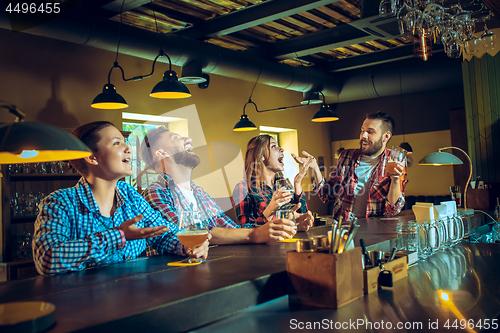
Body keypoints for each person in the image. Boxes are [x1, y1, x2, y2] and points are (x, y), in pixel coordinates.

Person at [32, 121, 210, 275]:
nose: (128, 148)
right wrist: (119, 235)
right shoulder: (59, 203)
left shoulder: (129, 195)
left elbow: (163, 233)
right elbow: (47, 258)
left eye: (125, 142)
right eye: (117, 143)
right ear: (91, 157)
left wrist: (187, 247)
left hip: (134, 300)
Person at [140, 127, 303, 244]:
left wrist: (281, 226)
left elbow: (231, 228)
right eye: (176, 137)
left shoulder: (199, 192)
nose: (188, 139)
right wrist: (254, 234)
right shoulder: (156, 191)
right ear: (161, 153)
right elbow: (186, 233)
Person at [296, 112, 407, 221]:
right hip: (343, 228)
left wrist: (396, 180)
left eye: (370, 132)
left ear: (386, 136)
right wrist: (315, 167)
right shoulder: (346, 156)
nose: (363, 136)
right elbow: (327, 194)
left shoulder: (396, 160)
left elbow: (393, 209)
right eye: (362, 131)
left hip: (375, 231)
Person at [232, 135, 314, 230]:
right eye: (273, 146)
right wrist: (271, 209)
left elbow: (300, 216)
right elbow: (244, 230)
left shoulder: (282, 185)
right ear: (261, 156)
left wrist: (297, 184)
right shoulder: (243, 188)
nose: (281, 149)